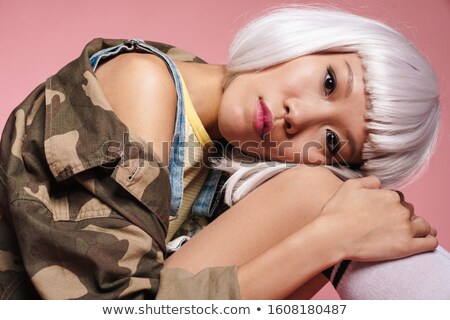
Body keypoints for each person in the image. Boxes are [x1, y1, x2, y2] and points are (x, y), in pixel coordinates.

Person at [0, 6, 448, 300]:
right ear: (312, 43)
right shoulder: (144, 82)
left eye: (332, 142)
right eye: (329, 81)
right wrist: (328, 240)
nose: (299, 116)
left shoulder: (235, 158)